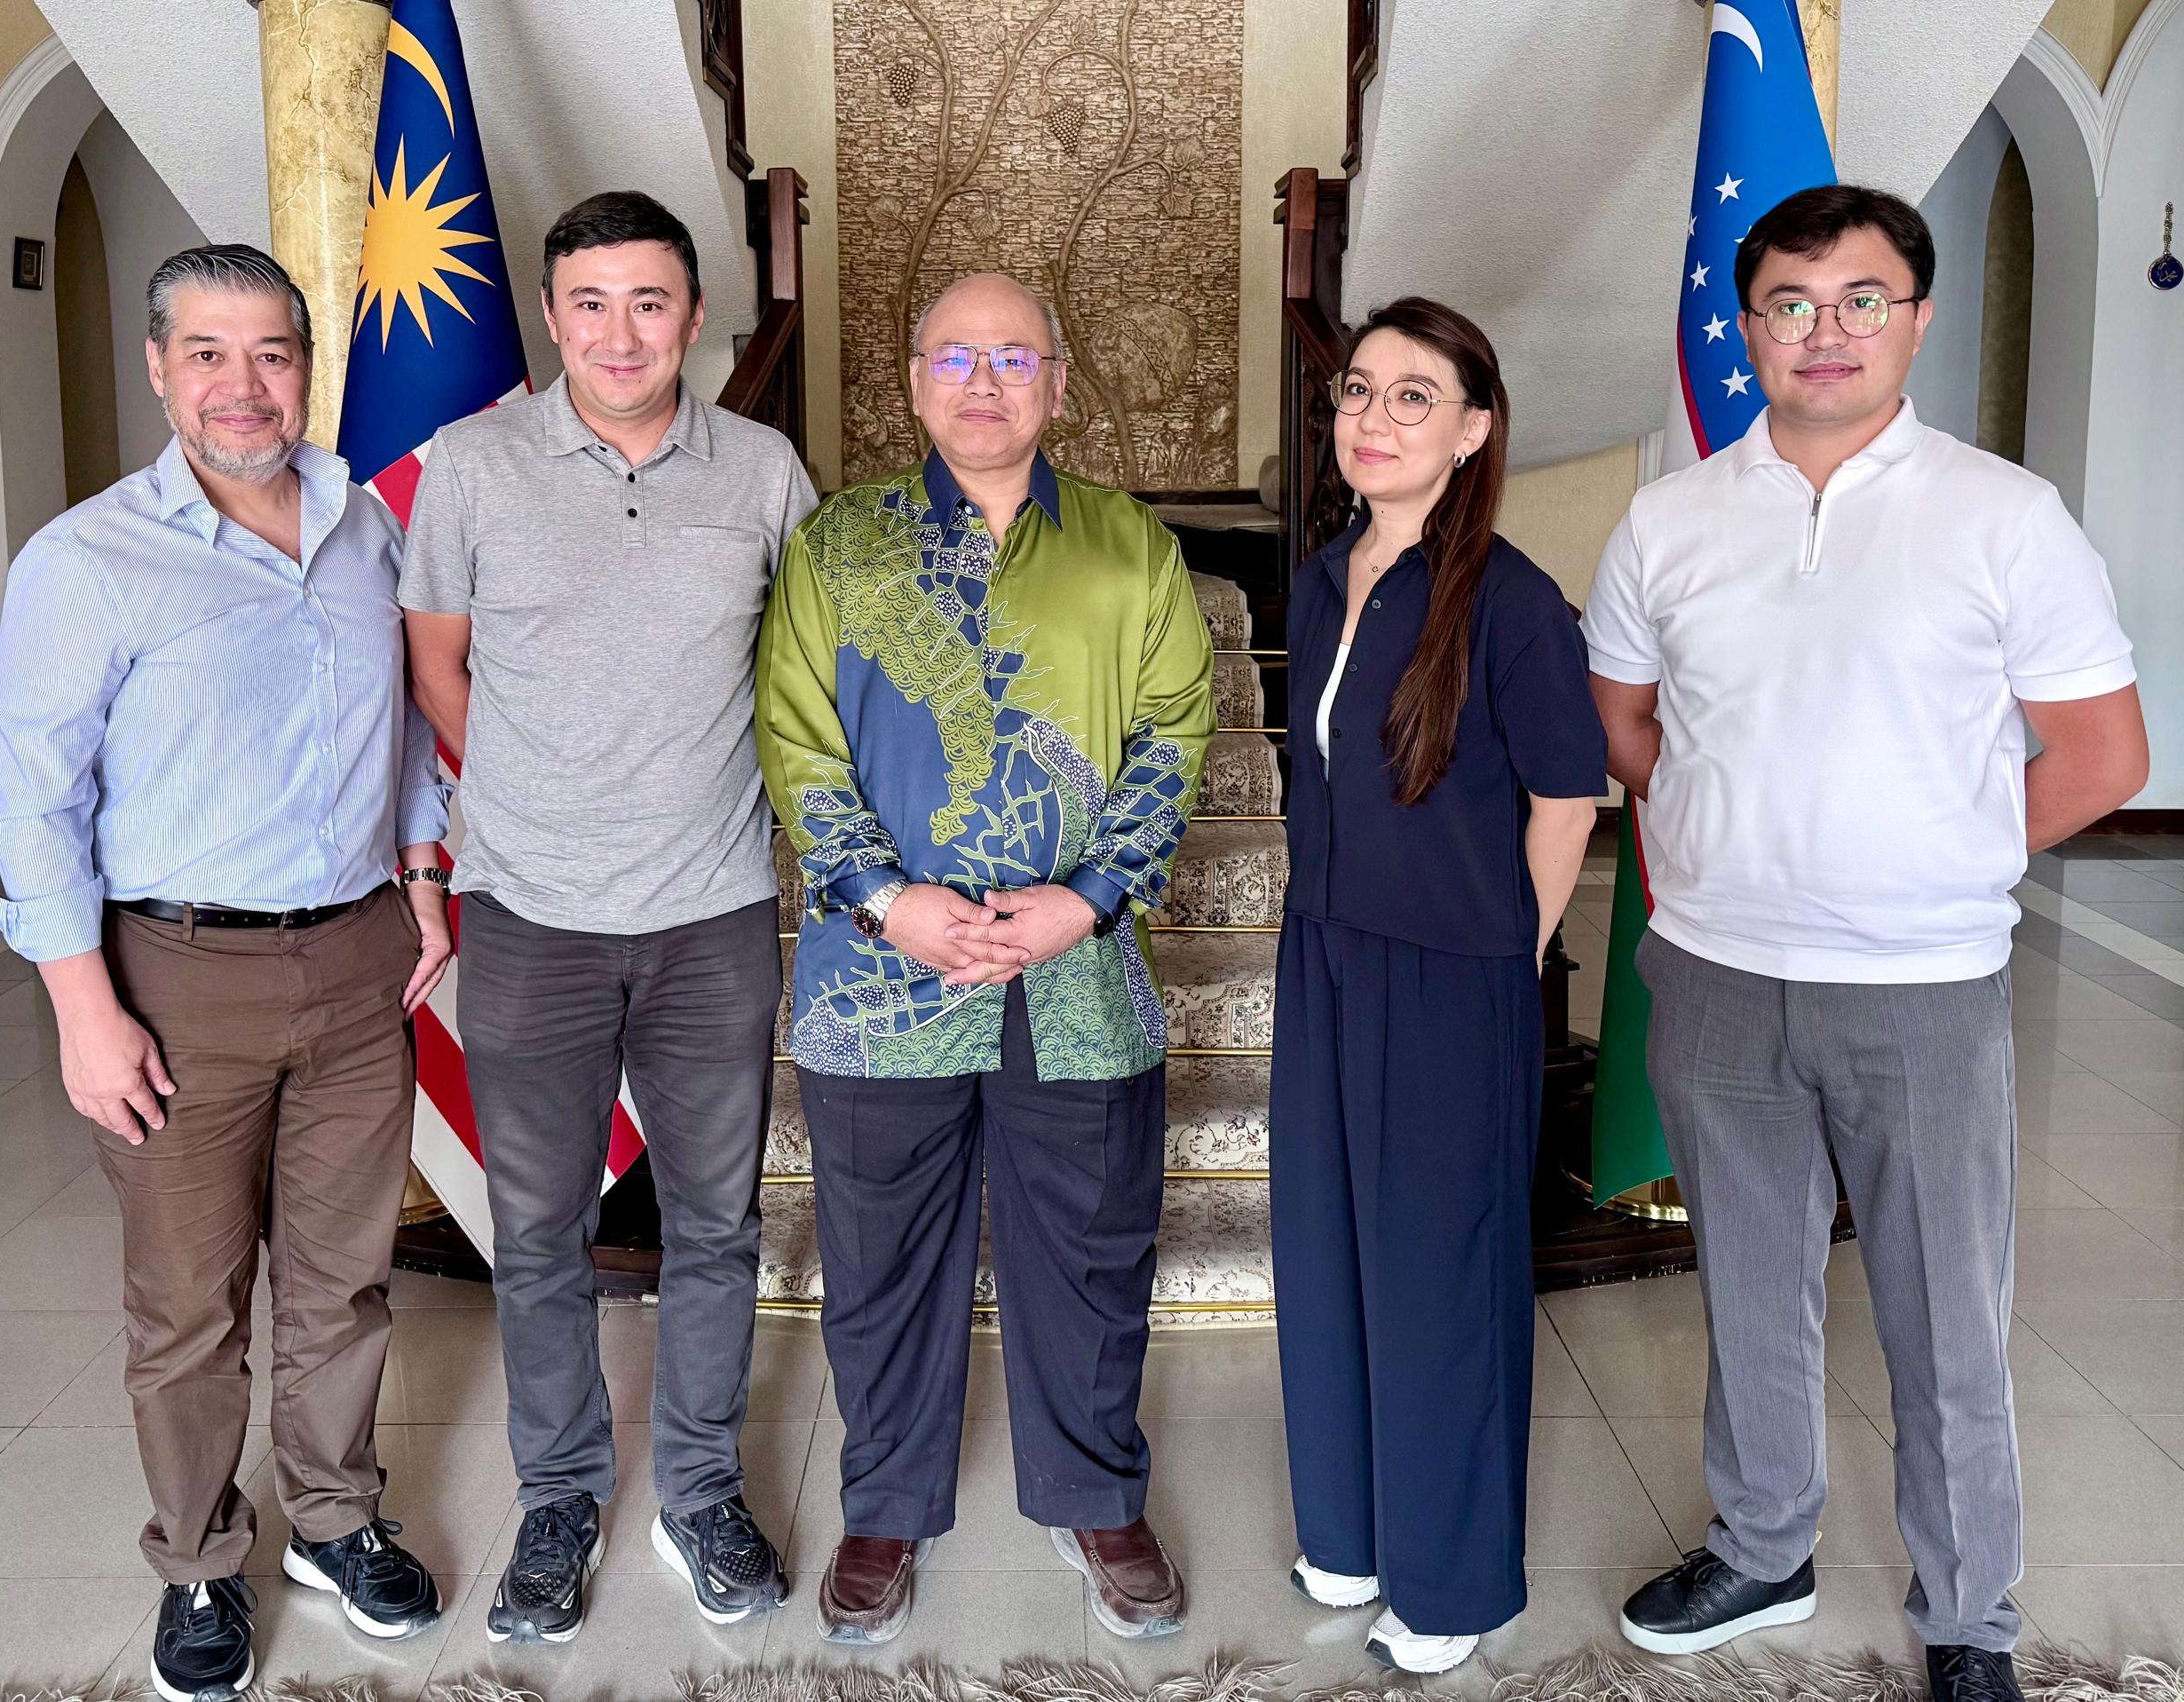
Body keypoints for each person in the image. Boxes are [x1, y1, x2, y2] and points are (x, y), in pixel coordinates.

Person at [1583, 186, 2148, 1702]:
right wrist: (1727, 826)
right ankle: (1763, 1544)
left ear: (1916, 318)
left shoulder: (2002, 514)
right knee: (1750, 1286)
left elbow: (2103, 755)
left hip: (1920, 987)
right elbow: (1623, 721)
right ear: (1745, 325)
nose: (1823, 330)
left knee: (1944, 1312)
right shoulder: (1671, 517)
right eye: (1790, 302)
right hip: (1715, 973)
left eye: (1860, 300)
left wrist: (1936, 856)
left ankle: (1969, 1614)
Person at [0, 244, 455, 1702]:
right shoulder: (85, 560)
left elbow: (406, 724)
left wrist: (423, 875)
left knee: (345, 1276)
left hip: (360, 955)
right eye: (207, 352)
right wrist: (83, 1008)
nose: (243, 386)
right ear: (157, 366)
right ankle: (196, 1556)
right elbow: (32, 797)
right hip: (172, 969)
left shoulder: (371, 528)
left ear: (307, 367)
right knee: (189, 1300)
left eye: (272, 353)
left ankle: (335, 1516)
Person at [756, 272, 1215, 1646]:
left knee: (1090, 1252)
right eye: (954, 357)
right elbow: (797, 738)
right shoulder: (838, 547)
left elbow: (1175, 730)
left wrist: (1090, 897)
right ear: (914, 383)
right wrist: (883, 897)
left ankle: (1098, 1497)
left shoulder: (1131, 548)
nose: (983, 382)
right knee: (883, 1259)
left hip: (1077, 978)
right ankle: (886, 1506)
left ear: (1057, 386)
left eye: (1014, 357)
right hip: (879, 982)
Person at [400, 190, 816, 1645]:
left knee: (715, 1223)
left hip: (714, 914)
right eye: (589, 303)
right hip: (530, 915)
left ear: (693, 316)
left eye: (649, 302)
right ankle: (562, 1493)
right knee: (538, 1232)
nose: (620, 332)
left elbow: (805, 668)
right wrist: (539, 801)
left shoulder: (763, 470)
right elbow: (437, 668)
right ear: (551, 317)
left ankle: (700, 1490)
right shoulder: (472, 465)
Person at [1271, 298, 1603, 1676]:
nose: (1375, 416)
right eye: (1359, 389)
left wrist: (1506, 950)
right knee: (1327, 1249)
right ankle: (1350, 1529)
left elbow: (1569, 797)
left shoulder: (1513, 601)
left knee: (1438, 1276)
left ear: (1473, 431)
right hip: (1323, 951)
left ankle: (1453, 1574)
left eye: (1416, 396)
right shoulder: (1322, 575)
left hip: (1454, 969)